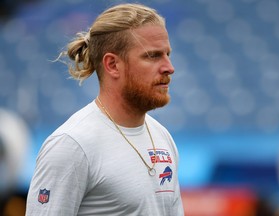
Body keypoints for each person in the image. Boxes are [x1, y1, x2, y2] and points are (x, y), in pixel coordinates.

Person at [26, 3, 184, 216]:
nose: (169, 67)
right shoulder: (72, 145)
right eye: (153, 56)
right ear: (112, 65)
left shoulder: (162, 137)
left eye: (167, 54)